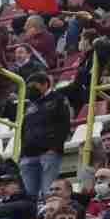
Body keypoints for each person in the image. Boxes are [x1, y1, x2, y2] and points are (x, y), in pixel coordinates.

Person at [19, 73, 73, 202]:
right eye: (29, 86)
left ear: (45, 84)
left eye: (34, 86)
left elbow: (64, 125)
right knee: (29, 198)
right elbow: (24, 129)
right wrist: (22, 153)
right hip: (28, 156)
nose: (31, 89)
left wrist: (54, 148)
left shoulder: (58, 99)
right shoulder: (30, 105)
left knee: (48, 193)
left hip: (48, 154)